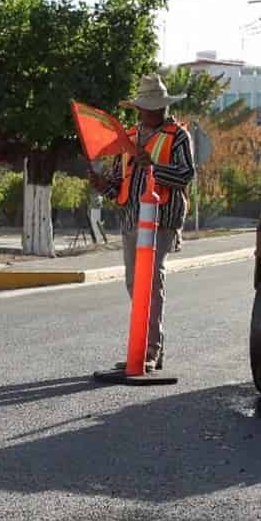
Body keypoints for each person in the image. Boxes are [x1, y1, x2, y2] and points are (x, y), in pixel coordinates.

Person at [89, 75, 195, 371]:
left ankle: (151, 349)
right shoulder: (129, 137)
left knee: (151, 280)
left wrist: (154, 167)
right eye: (141, 107)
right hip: (131, 218)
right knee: (134, 283)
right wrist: (102, 185)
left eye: (149, 107)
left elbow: (186, 174)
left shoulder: (178, 136)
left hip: (163, 220)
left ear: (161, 108)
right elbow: (117, 184)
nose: (143, 113)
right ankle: (142, 346)